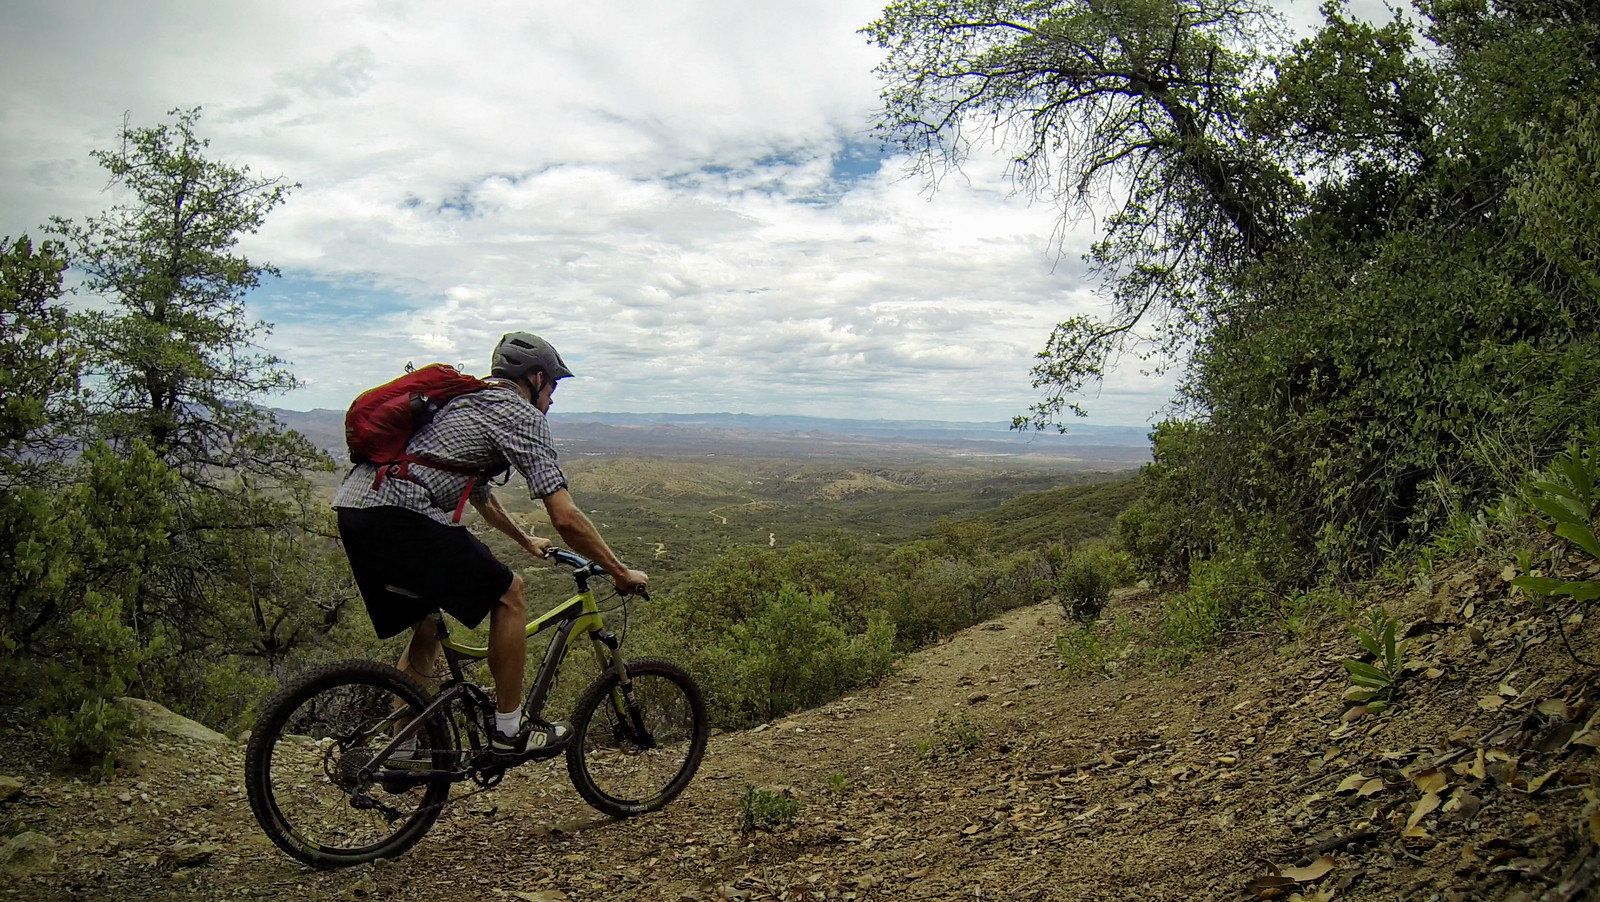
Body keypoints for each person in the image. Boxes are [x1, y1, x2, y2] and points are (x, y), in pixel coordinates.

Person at [332, 331, 647, 760]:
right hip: (398, 513)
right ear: (535, 378)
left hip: (355, 510)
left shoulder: (467, 402)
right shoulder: (520, 415)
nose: (553, 399)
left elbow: (478, 493)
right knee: (510, 593)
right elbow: (566, 516)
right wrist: (619, 571)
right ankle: (508, 730)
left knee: (427, 623)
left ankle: (402, 750)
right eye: (553, 385)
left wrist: (524, 539)